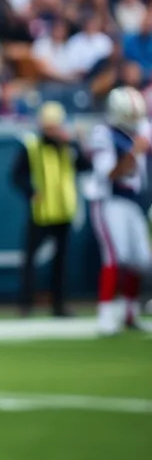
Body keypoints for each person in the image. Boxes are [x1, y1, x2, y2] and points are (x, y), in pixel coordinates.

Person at [12, 101, 90, 318]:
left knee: (61, 262)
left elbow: (86, 167)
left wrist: (77, 144)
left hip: (63, 210)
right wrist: (30, 192)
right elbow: (17, 176)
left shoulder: (68, 146)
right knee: (29, 258)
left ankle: (59, 304)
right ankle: (25, 304)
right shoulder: (31, 146)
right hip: (41, 210)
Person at [85, 86, 151, 335]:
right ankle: (104, 315)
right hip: (109, 199)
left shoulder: (141, 128)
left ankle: (130, 313)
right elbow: (111, 174)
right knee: (115, 256)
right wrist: (134, 152)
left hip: (133, 200)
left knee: (140, 259)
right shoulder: (104, 134)